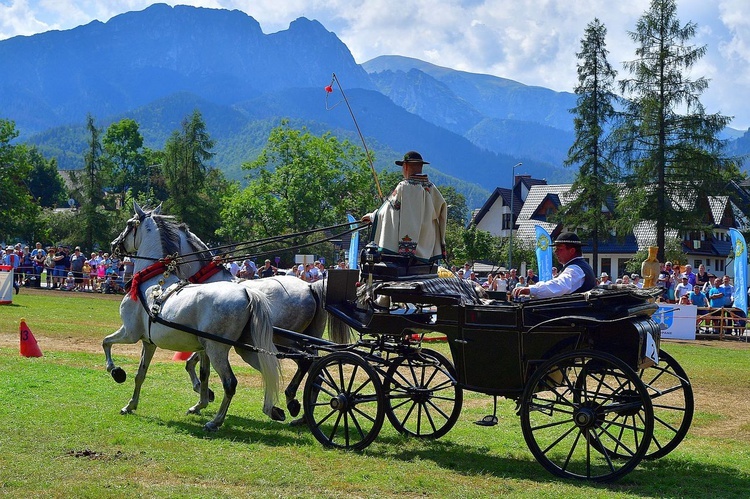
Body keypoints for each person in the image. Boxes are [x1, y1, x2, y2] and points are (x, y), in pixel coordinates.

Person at [362, 151, 447, 264]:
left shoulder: (404, 187)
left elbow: (389, 211)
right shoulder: (432, 188)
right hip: (427, 246)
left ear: (405, 166)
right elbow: (442, 212)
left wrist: (373, 216)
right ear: (421, 167)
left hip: (404, 254)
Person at [512, 232, 596, 299]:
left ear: (572, 251)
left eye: (559, 249)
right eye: (555, 249)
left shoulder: (575, 268)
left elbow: (559, 286)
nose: (555, 252)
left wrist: (532, 289)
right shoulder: (578, 266)